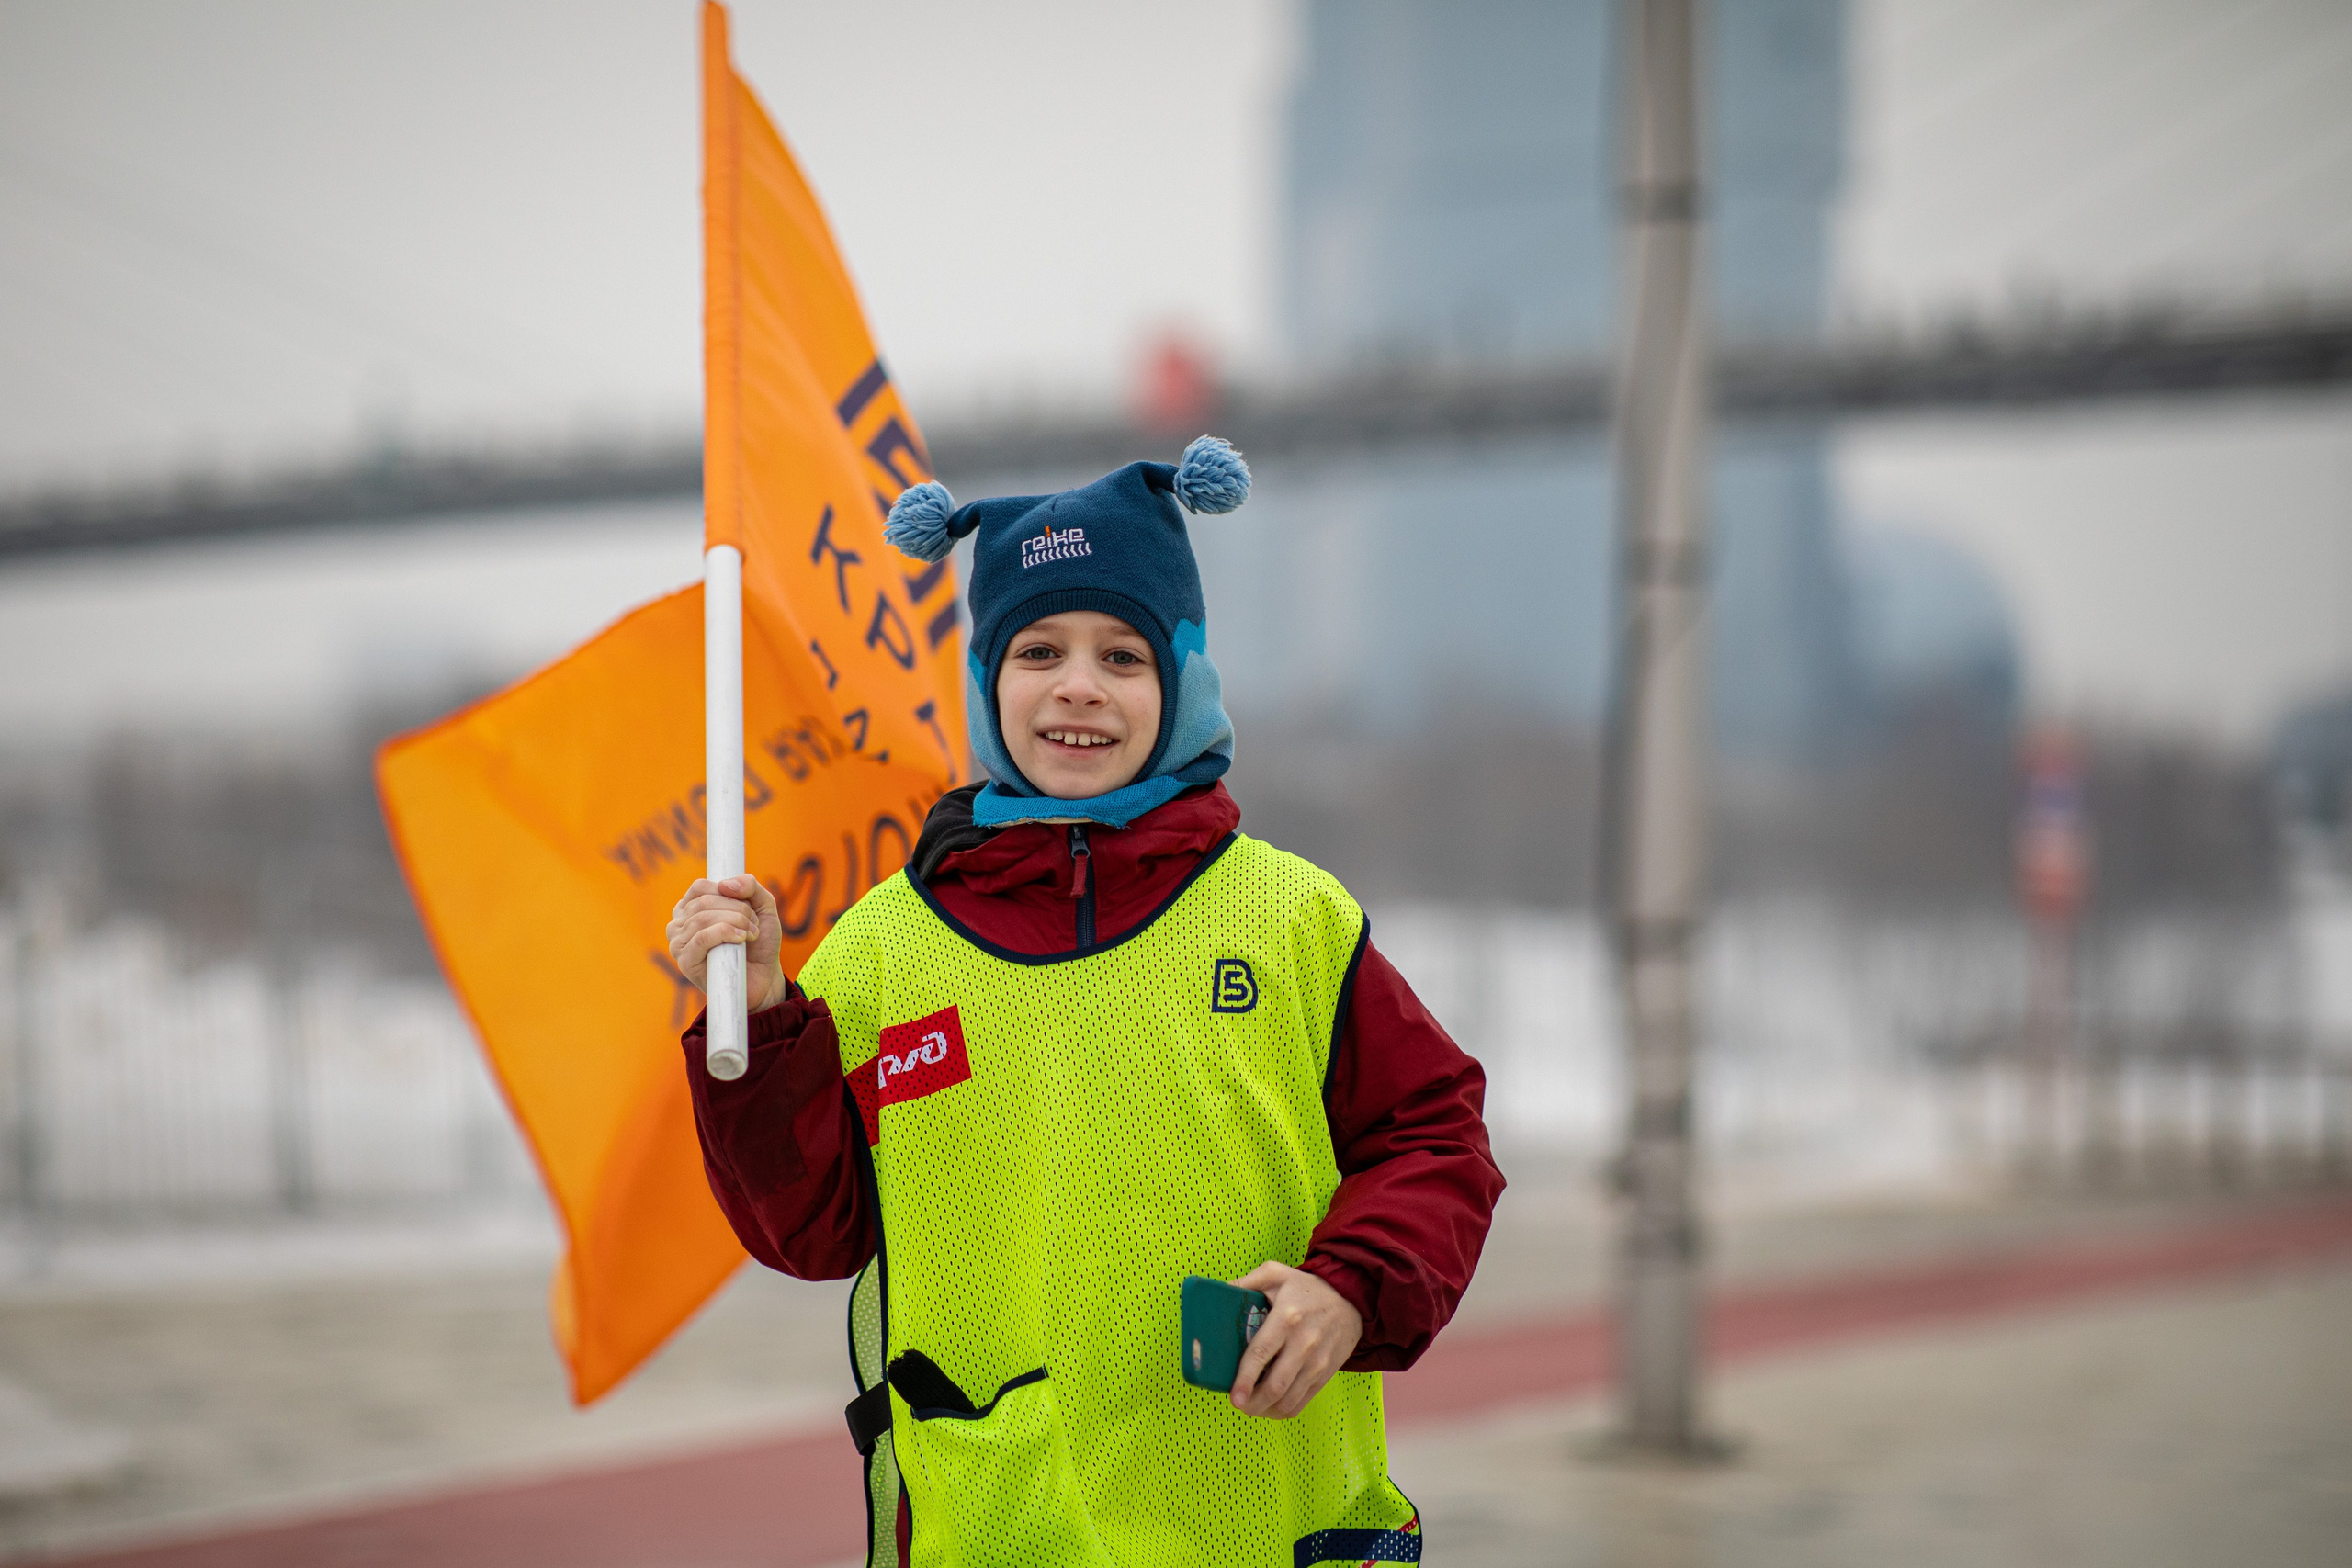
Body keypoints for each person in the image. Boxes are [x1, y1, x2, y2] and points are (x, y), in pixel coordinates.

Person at [667, 437, 1502, 1568]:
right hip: (1000, 1526)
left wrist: (1349, 1289)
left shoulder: (1290, 919)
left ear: (1182, 680)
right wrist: (763, 1021)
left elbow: (1437, 1140)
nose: (1078, 685)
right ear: (984, 681)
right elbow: (811, 1233)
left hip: (1262, 1522)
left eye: (1122, 655)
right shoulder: (880, 951)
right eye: (1038, 650)